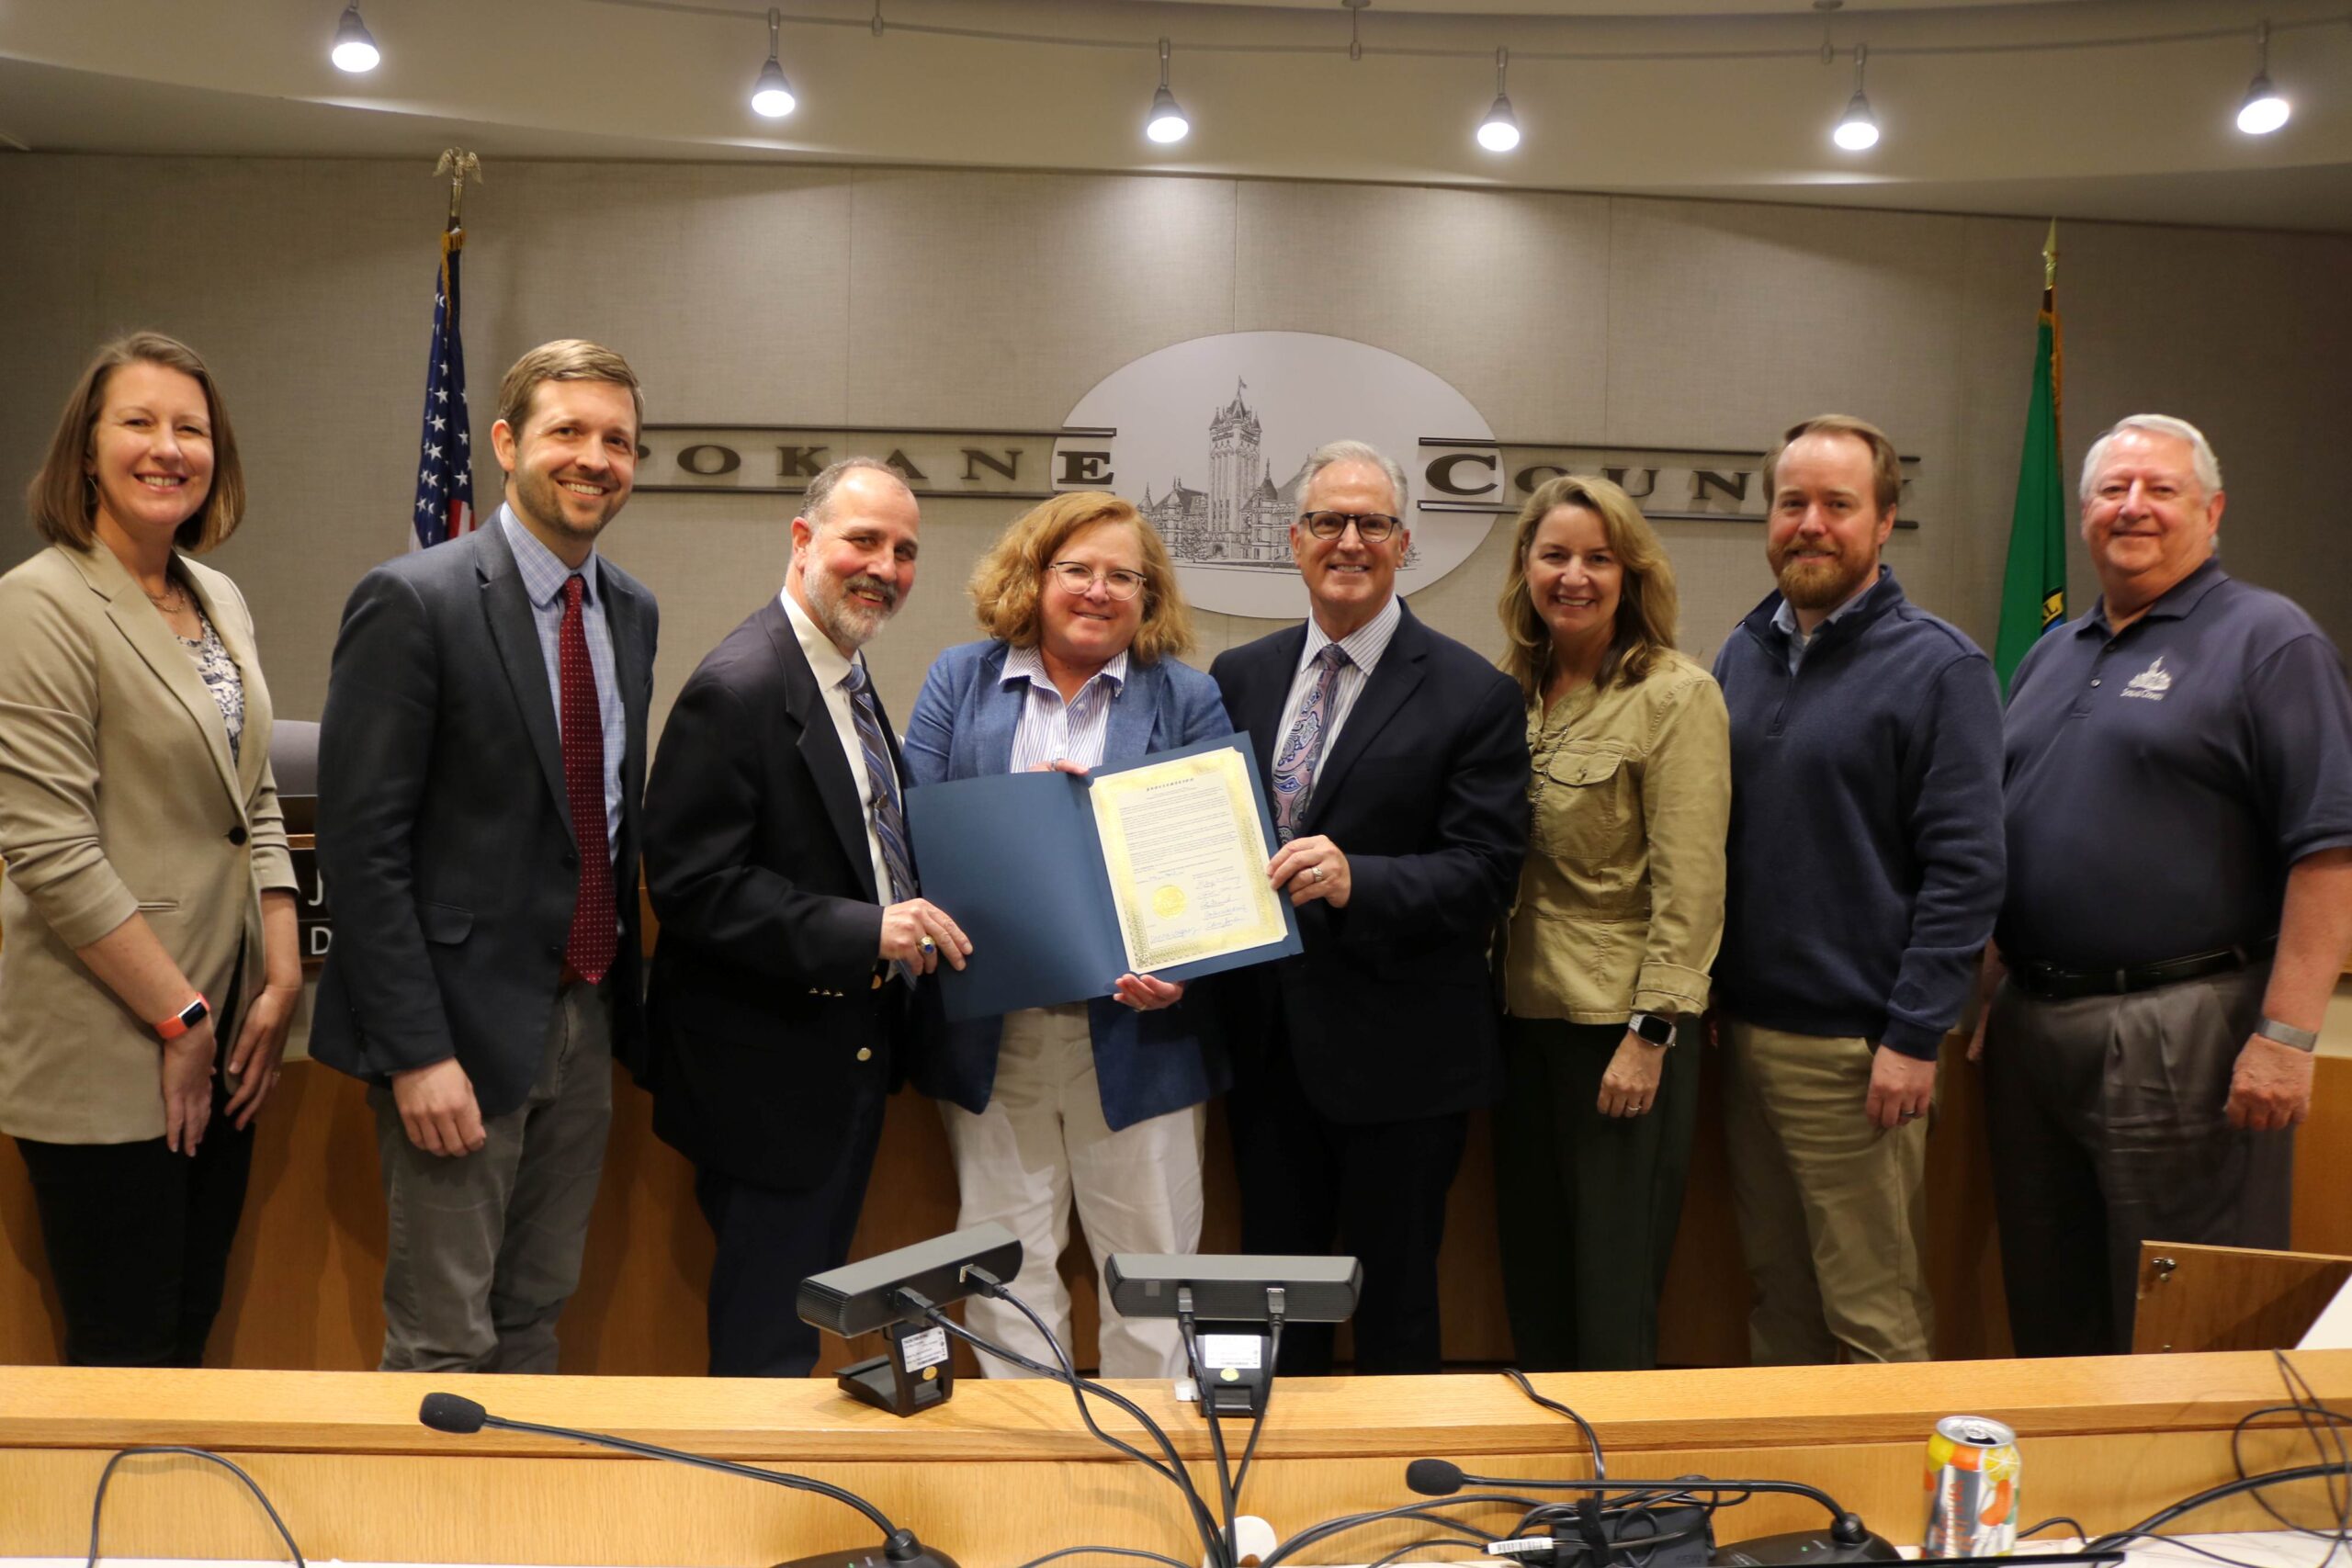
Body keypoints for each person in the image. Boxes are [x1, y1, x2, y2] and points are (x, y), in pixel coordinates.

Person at [312, 339, 660, 1373]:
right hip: (455, 1037)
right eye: (568, 432)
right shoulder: (412, 600)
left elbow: (601, 816)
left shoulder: (631, 611)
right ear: (506, 444)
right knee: (441, 1340)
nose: (594, 459)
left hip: (583, 1017)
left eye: (618, 441)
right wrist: (417, 1053)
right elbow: (361, 849)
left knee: (533, 1321)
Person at [1978, 413, 2352, 1356]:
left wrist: (2286, 1036)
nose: (2131, 508)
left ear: (2212, 510)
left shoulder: (2269, 642)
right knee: (2048, 1304)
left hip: (2183, 1029)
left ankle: (2192, 1508)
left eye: (2160, 489)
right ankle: (2068, 1502)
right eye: (2111, 491)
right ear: (2085, 513)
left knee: (2180, 1320)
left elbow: (2329, 850)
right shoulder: (2051, 651)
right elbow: (2008, 828)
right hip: (2035, 1028)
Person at [0, 333, 301, 1366]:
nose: (168, 447)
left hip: (226, 1028)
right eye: (139, 422)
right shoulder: (37, 604)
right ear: (86, 450)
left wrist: (282, 966)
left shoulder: (219, 598)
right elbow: (48, 849)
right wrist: (176, 1016)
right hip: (111, 1032)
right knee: (121, 1345)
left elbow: (251, 791)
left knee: (189, 1328)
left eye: (191, 428)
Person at [642, 456, 971, 1379]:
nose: (886, 567)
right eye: (863, 540)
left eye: (905, 551)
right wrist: (865, 931)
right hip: (764, 1086)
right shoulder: (740, 688)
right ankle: (751, 1516)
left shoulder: (846, 679)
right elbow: (693, 885)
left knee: (798, 1320)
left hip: (839, 1066)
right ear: (803, 542)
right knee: (766, 1342)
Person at [1207, 439, 1528, 1376]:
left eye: (1372, 523)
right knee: (1279, 1306)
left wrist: (1361, 880)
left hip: (1404, 1065)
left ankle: (1401, 1512)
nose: (1349, 540)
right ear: (1295, 541)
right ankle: (1284, 1501)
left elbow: (1485, 874)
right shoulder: (1238, 675)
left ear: (1404, 543)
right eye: (1327, 523)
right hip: (1266, 1058)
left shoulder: (1475, 694)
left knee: (1394, 1306)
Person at [901, 491, 1230, 1380]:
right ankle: (1026, 1483)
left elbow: (1212, 860)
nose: (1098, 590)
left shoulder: (1187, 696)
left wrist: (1181, 969)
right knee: (1005, 1273)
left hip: (1137, 1028)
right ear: (1035, 575)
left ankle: (1152, 1485)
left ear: (1149, 595)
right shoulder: (958, 680)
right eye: (1077, 569)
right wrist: (1024, 818)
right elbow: (913, 835)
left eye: (1123, 575)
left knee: (1153, 1276)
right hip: (993, 1031)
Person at [1710, 413, 2004, 1366]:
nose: (1810, 524)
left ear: (1883, 524)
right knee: (1778, 1301)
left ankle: (1896, 1518)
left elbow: (1966, 870)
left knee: (1871, 1318)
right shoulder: (1739, 655)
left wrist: (1914, 1035)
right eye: (1792, 502)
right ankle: (1792, 1507)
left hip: (1858, 1057)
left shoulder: (1941, 669)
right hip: (1746, 1039)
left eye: (1839, 505)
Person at [1490, 474, 1729, 1371]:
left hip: (1617, 1039)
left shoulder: (1675, 695)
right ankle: (1551, 1495)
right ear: (1526, 569)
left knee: (1612, 1292)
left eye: (1598, 558)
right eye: (1554, 556)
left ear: (1630, 574)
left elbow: (1691, 884)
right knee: (1534, 1279)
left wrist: (1652, 1030)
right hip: (1520, 1026)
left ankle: (1618, 1499)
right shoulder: (1511, 693)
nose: (1574, 576)